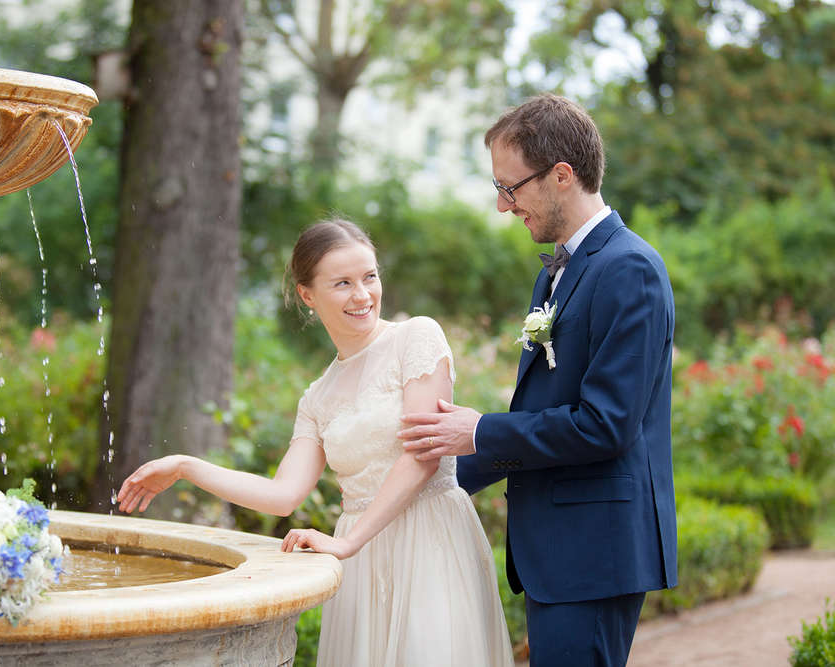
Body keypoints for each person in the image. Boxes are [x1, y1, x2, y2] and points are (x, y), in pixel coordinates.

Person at [116, 218, 514, 666]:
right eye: (342, 283)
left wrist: (348, 543)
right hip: (362, 561)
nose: (362, 295)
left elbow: (422, 456)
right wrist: (186, 466)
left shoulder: (416, 338)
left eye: (370, 277)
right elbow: (282, 495)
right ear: (308, 295)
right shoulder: (318, 395)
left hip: (429, 541)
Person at [399, 93, 677, 667]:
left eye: (510, 187)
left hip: (594, 551)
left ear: (561, 175)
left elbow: (606, 426)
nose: (503, 206)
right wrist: (436, 479)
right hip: (558, 549)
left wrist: (481, 433)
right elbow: (547, 408)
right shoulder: (556, 272)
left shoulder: (629, 269)